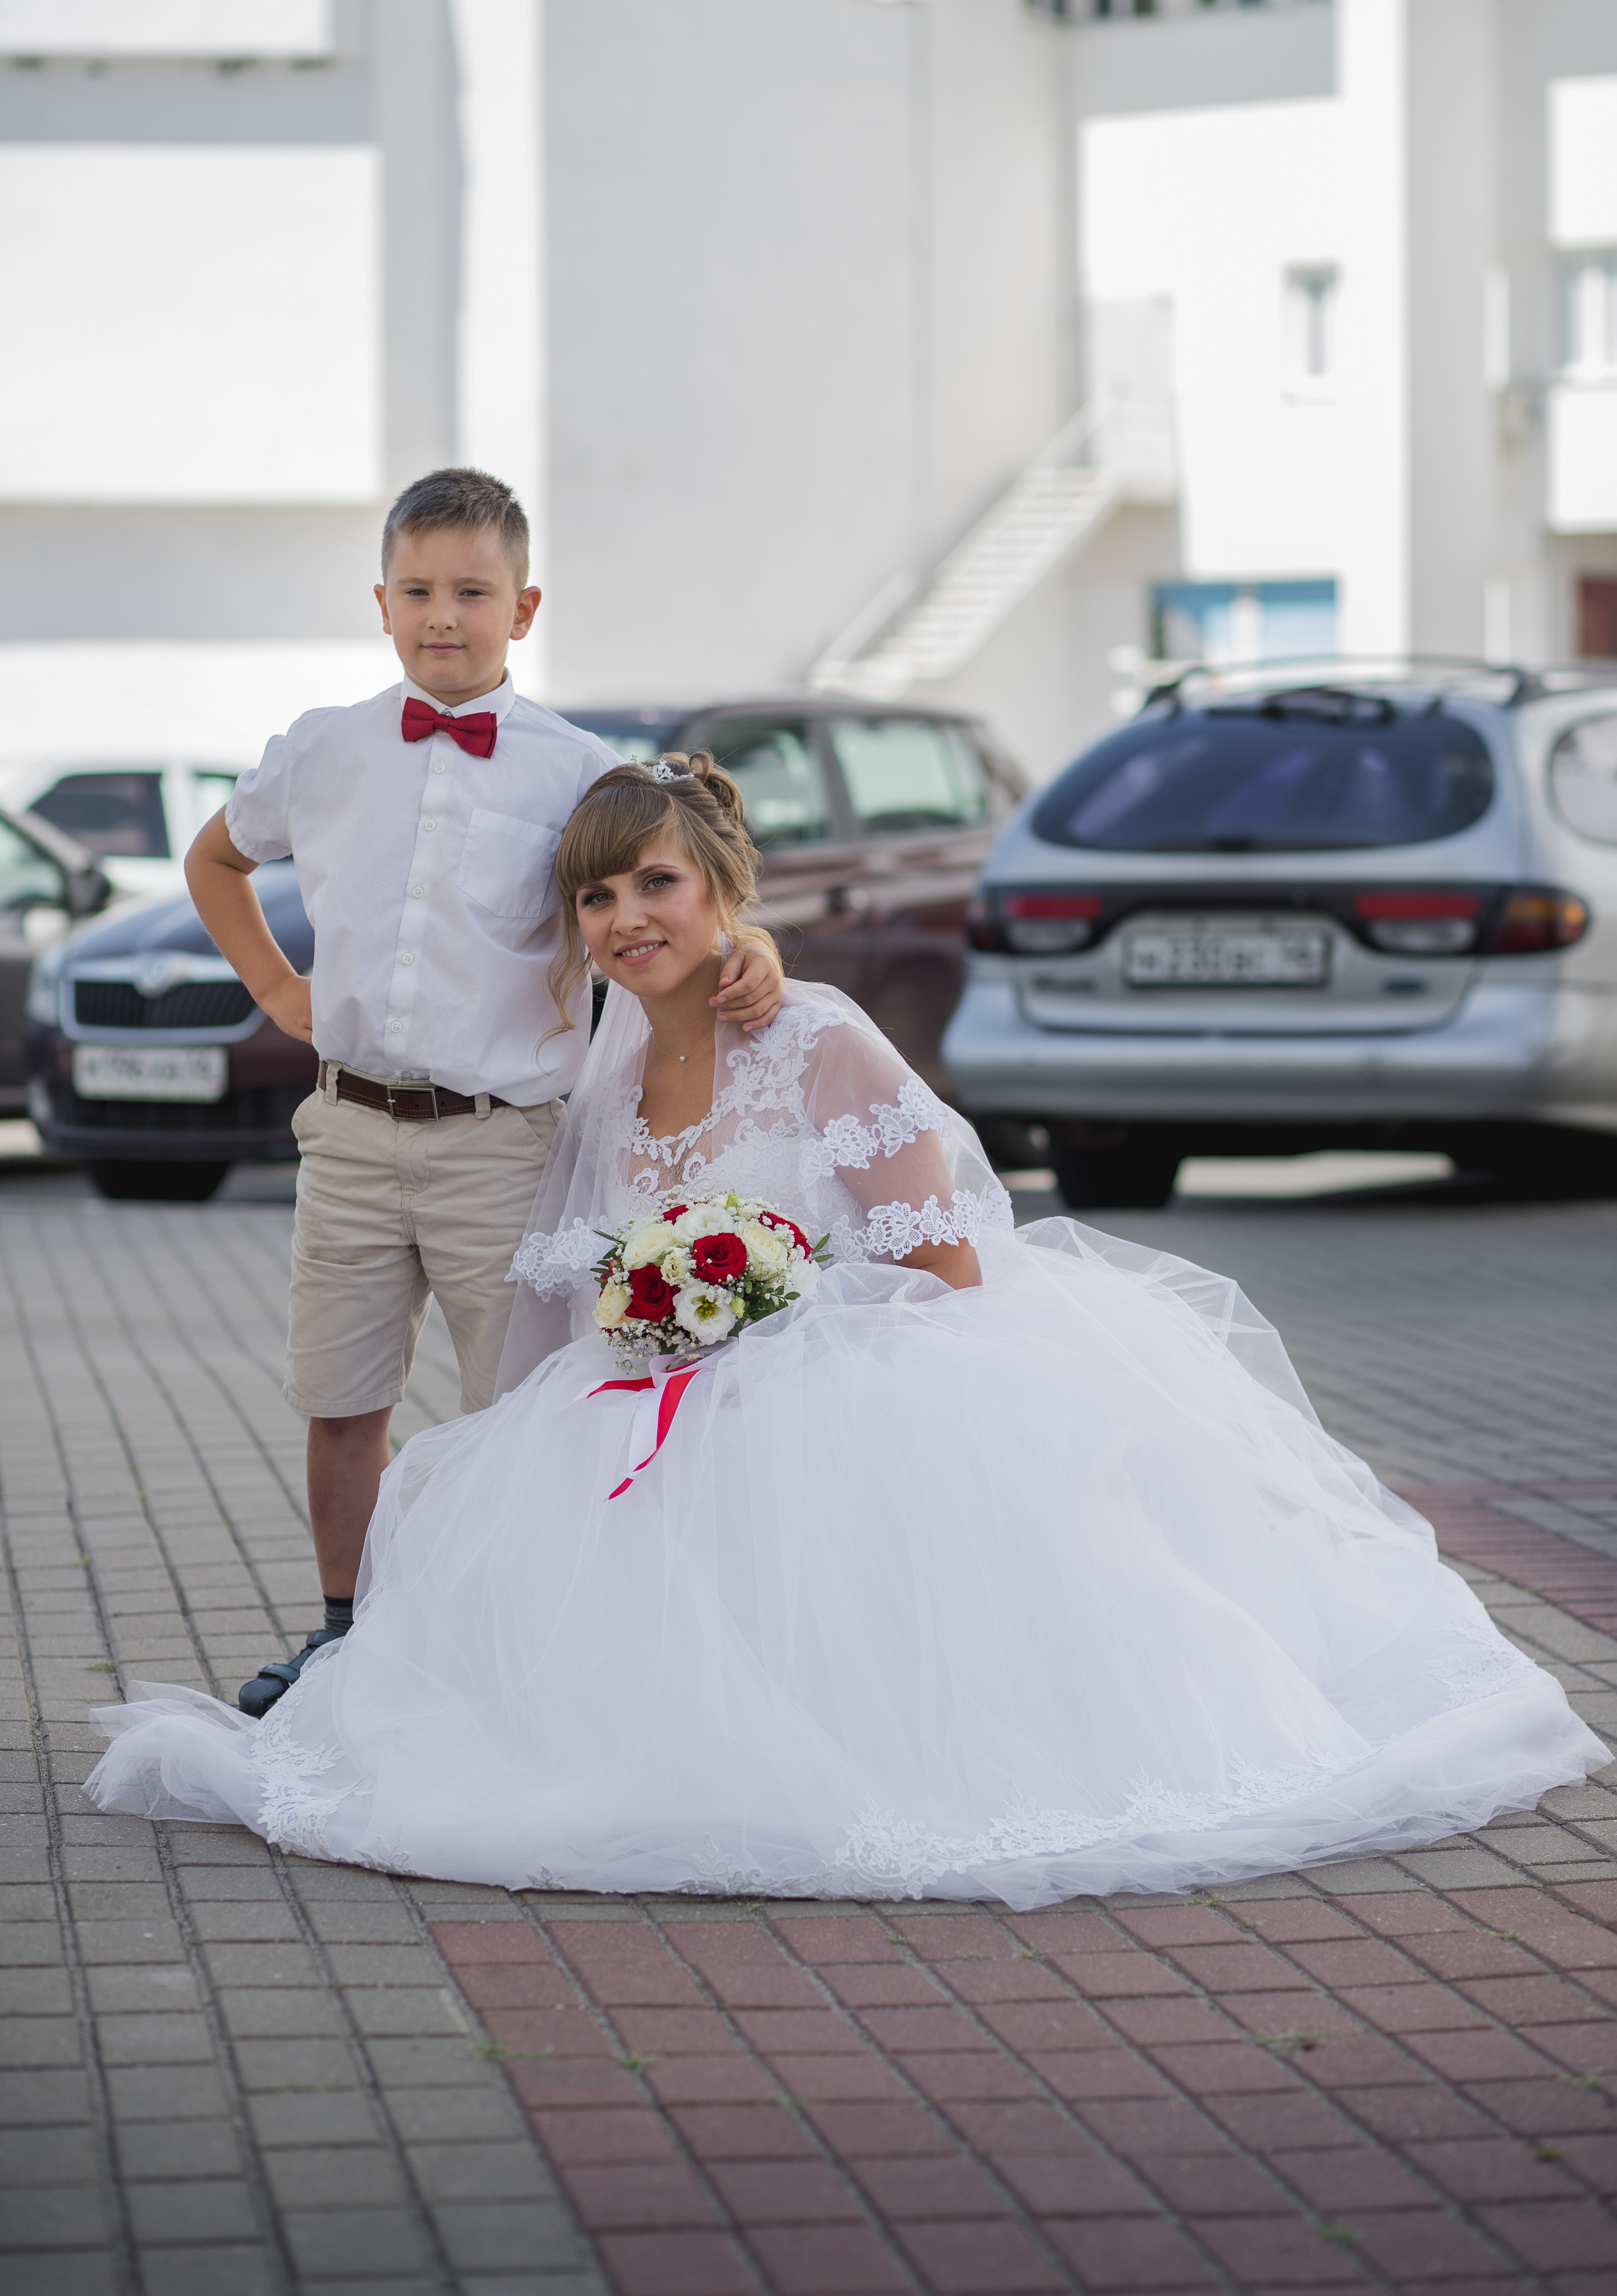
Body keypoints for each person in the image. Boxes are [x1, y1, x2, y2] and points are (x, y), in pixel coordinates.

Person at [89, 755, 1606, 1907]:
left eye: (655, 886)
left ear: (722, 890)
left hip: (858, 1391)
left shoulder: (818, 1037)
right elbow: (582, 1274)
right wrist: (633, 1352)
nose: (624, 921)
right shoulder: (607, 1064)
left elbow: (945, 1274)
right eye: (597, 899)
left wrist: (768, 1314)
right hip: (669, 1404)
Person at [183, 473, 783, 1720]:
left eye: (471, 591)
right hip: (348, 1132)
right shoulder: (322, 749)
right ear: (381, 604)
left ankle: (517, 1647)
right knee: (340, 1401)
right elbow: (217, 858)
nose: (441, 616)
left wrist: (753, 953)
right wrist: (280, 989)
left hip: (504, 1147)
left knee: (520, 1411)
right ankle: (344, 1636)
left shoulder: (578, 773)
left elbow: (672, 900)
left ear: (524, 608)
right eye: (416, 591)